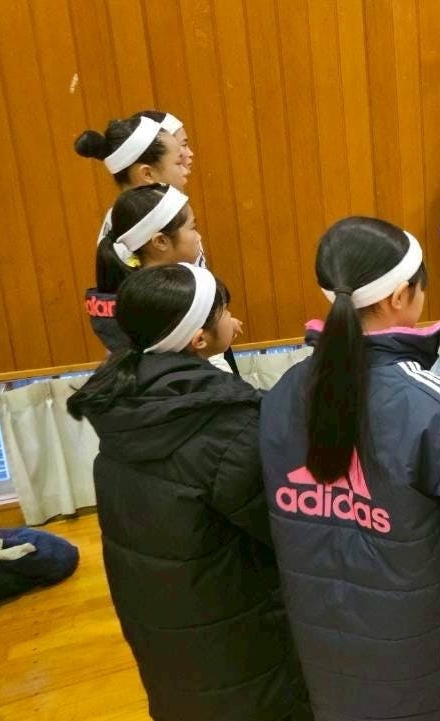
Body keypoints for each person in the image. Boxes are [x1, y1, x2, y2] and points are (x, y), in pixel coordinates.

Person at [260, 217, 440, 720]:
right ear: (400, 296)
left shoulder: (281, 394)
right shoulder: (424, 400)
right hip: (426, 658)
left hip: (326, 649)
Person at [66, 264, 308, 721]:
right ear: (199, 339)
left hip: (159, 616)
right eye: (225, 312)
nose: (234, 320)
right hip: (233, 627)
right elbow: (285, 528)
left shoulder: (127, 404)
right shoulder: (223, 427)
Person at [82, 185, 235, 356]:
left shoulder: (143, 292)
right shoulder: (161, 300)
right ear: (161, 241)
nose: (199, 237)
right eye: (192, 228)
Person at [75, 113, 189, 244]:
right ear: (147, 174)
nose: (185, 171)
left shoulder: (154, 216)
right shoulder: (151, 227)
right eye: (178, 163)